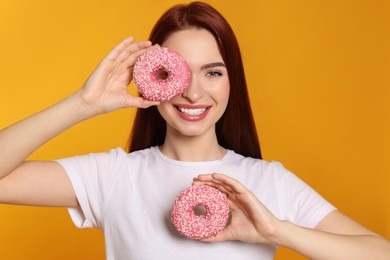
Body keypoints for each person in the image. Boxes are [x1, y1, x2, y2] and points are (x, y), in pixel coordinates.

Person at [0, 1, 389, 259]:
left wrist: (276, 231)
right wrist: (81, 104)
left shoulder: (269, 182)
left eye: (213, 72)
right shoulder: (113, 176)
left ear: (231, 80)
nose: (193, 92)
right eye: (177, 73)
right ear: (153, 78)